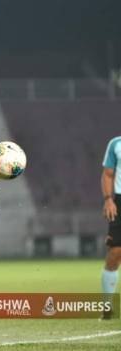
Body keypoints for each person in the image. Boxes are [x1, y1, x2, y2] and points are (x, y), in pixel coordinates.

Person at [101, 135, 121, 320]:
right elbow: (108, 173)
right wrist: (108, 200)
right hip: (120, 201)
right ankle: (107, 306)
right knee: (115, 252)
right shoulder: (116, 144)